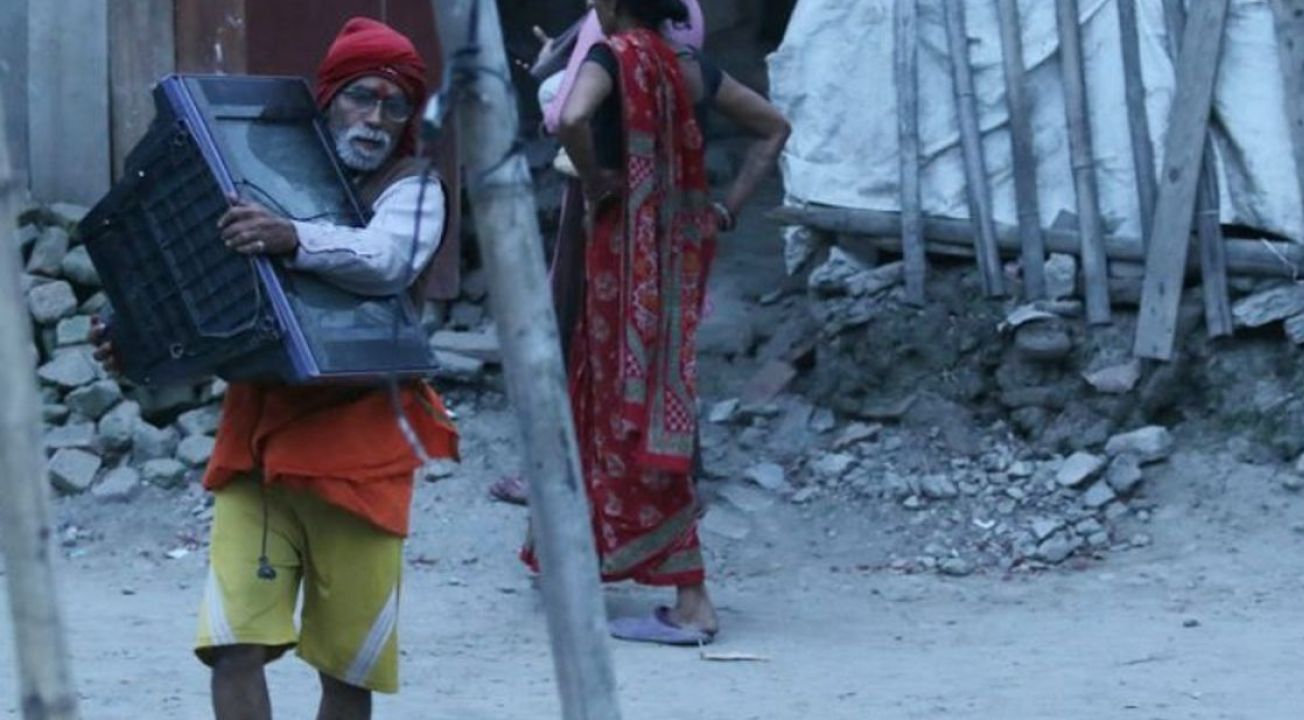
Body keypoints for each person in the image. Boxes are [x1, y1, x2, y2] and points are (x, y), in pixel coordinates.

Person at [92, 17, 458, 720]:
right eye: (361, 97)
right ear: (328, 99)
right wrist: (132, 347)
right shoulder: (255, 172)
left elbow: (389, 261)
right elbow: (201, 291)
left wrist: (291, 237)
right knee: (233, 646)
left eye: (394, 105)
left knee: (345, 673)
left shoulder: (414, 187)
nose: (375, 118)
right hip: (256, 443)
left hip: (361, 452)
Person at [520, 0, 791, 645]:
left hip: (620, 261)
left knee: (623, 411)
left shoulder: (609, 59)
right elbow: (774, 127)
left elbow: (571, 117)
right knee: (649, 405)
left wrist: (597, 182)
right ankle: (578, 559)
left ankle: (692, 600)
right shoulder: (687, 66)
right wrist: (725, 209)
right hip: (673, 265)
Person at [490, 0, 704, 507]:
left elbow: (566, 113)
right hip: (667, 198)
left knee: (579, 326)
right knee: (661, 333)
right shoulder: (682, 19)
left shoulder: (612, 40)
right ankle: (674, 470)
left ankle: (565, 469)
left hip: (607, 198)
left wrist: (593, 179)